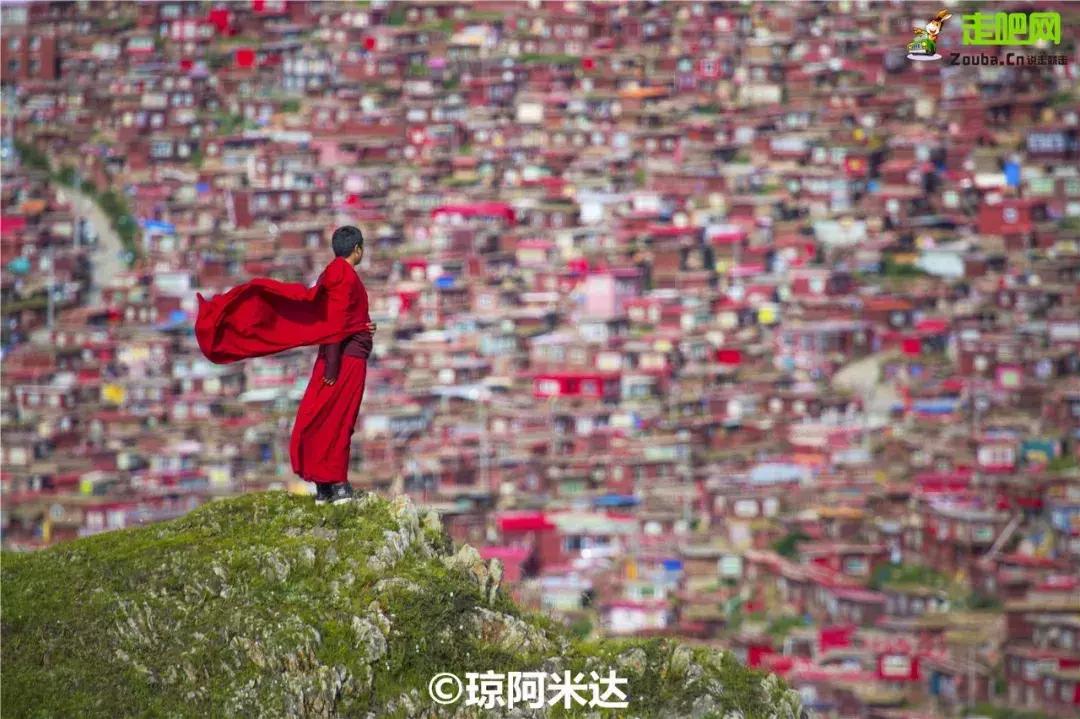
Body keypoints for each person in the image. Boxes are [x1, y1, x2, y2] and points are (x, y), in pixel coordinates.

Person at [195, 226, 376, 505]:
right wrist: (332, 367)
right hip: (342, 362)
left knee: (323, 417)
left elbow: (341, 318)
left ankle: (324, 487)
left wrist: (362, 327)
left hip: (338, 356)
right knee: (338, 419)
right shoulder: (344, 275)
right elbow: (337, 324)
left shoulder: (332, 273)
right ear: (358, 249)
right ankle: (336, 486)